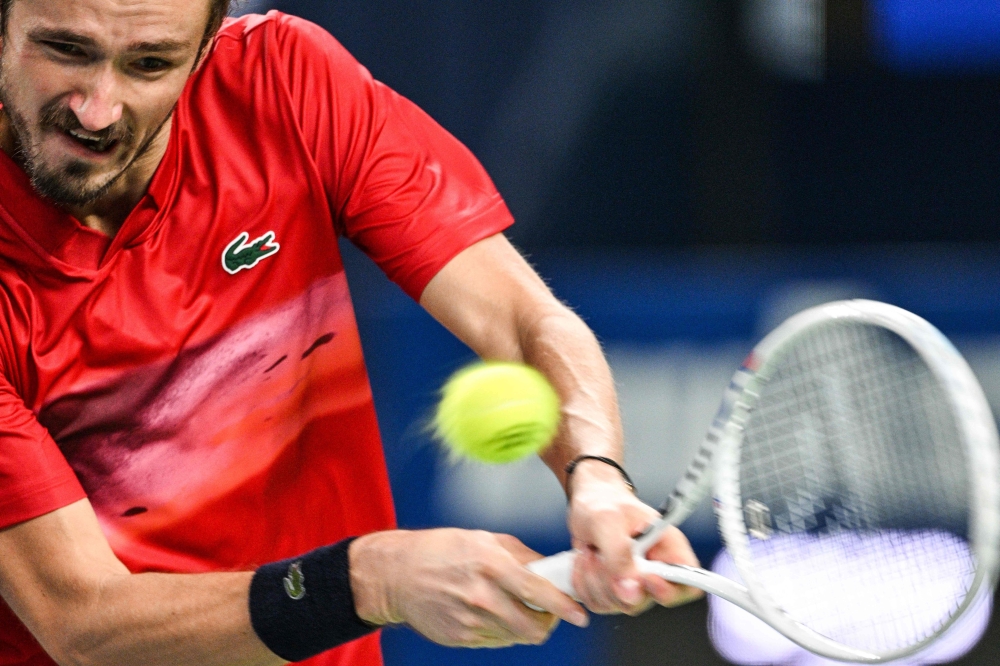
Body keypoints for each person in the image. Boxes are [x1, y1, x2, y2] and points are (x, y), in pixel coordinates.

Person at [0, 1, 700, 665]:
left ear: (207, 46)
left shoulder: (284, 83)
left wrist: (597, 477)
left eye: (150, 64)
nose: (98, 109)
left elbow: (520, 320)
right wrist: (370, 579)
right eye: (65, 50)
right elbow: (85, 621)